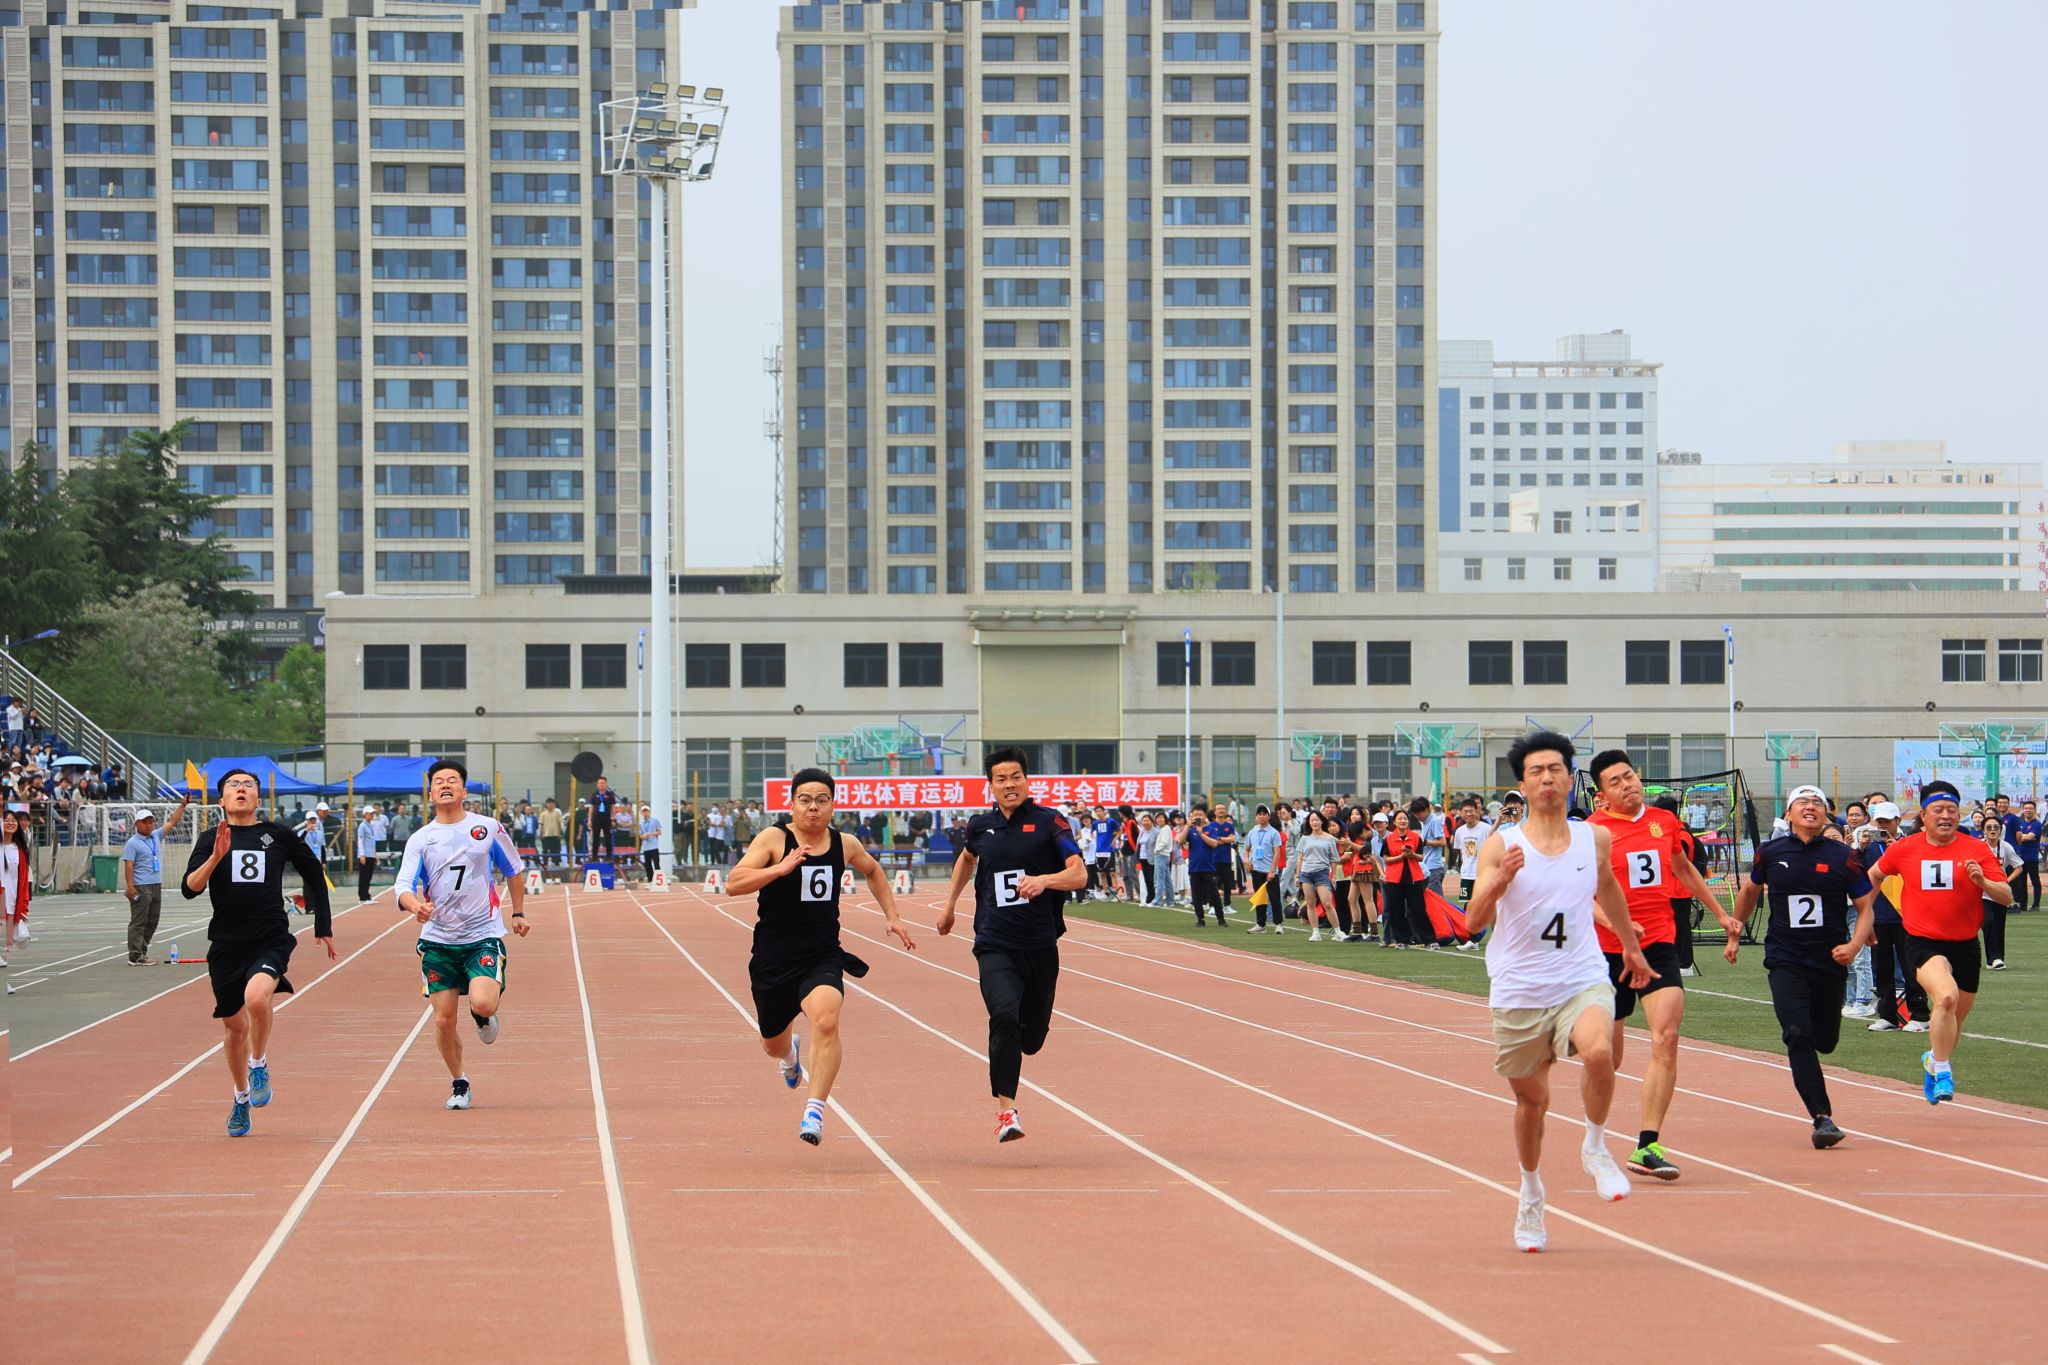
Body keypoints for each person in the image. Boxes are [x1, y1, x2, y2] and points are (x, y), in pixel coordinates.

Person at [1465, 731, 1650, 1253]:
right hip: (1520, 989)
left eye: (1555, 769)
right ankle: (1531, 1191)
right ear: (1522, 784)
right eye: (1536, 771)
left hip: (1580, 976)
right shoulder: (1501, 845)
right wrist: (1499, 881)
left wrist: (1630, 947)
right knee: (1533, 1104)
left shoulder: (1594, 838)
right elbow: (1472, 921)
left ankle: (1595, 1146)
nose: (1546, 778)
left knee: (1600, 1051)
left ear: (1571, 779)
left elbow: (1607, 888)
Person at [725, 768, 916, 1145]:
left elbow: (874, 871)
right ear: (792, 805)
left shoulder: (844, 844)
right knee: (772, 1044)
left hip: (821, 956)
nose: (813, 807)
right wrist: (779, 868)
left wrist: (892, 916)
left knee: (827, 1020)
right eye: (805, 800)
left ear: (832, 806)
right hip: (773, 960)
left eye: (821, 800)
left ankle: (814, 1110)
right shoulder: (774, 839)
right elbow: (733, 883)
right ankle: (789, 1057)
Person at [1586, 749, 1744, 1182]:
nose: (1627, 785)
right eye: (1615, 782)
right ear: (1602, 796)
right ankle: (1594, 1134)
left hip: (1658, 944)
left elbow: (1683, 869)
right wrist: (1616, 924)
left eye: (1630, 776)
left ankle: (1647, 1144)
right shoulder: (1592, 833)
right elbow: (1578, 895)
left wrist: (1721, 914)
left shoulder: (1664, 822)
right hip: (1606, 951)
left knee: (1667, 1036)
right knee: (1608, 1058)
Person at [938, 747, 1089, 1142]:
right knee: (1003, 1016)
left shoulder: (1050, 822)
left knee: (1031, 1040)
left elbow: (1079, 875)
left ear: (1026, 780)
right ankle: (1007, 1112)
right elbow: (966, 859)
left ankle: (1023, 1039)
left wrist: (1044, 881)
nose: (1009, 784)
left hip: (1039, 946)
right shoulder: (980, 826)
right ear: (990, 785)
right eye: (1001, 779)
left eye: (1016, 776)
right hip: (994, 942)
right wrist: (950, 905)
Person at [180, 768, 335, 1137]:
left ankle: (259, 1062)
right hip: (226, 944)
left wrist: (323, 925)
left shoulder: (277, 835)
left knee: (257, 997)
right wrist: (215, 857)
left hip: (270, 937)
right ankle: (240, 1097)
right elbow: (190, 888)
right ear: (221, 799)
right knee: (234, 1029)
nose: (241, 789)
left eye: (248, 785)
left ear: (258, 798)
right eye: (233, 785)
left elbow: (314, 873)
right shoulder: (211, 838)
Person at [1730, 785, 1876, 1147]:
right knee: (1796, 1034)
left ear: (1826, 814)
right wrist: (1735, 933)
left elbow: (1865, 907)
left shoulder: (1843, 857)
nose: (1810, 807)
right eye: (1803, 802)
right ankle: (1822, 1118)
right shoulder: (1771, 852)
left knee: (1824, 1039)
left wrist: (1854, 944)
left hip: (1830, 960)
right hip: (1785, 959)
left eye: (1817, 803)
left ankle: (1821, 1042)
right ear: (1789, 813)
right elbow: (1749, 891)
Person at [395, 760, 531, 1111]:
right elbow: (403, 885)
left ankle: (482, 1016)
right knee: (443, 1019)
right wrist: (415, 906)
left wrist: (517, 913)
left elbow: (514, 869)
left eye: (452, 780)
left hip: (482, 934)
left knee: (483, 1002)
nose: (445, 785)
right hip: (438, 940)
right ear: (430, 793)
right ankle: (459, 1081)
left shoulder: (487, 828)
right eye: (438, 781)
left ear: (464, 790)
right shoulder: (421, 839)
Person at [1867, 781, 2013, 1104]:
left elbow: (2006, 896)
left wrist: (1983, 881)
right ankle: (1944, 1072)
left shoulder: (1976, 849)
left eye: (1951, 810)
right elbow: (1874, 875)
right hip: (1922, 941)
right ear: (1923, 815)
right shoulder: (1905, 848)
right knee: (1946, 998)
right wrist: (1866, 916)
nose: (1946, 816)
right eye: (1938, 810)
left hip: (1965, 944)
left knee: (1953, 1024)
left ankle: (1933, 1060)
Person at [123, 796, 191, 963]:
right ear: (137, 824)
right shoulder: (132, 843)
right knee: (139, 921)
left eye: (150, 822)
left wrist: (182, 805)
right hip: (141, 885)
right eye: (145, 822)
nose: (148, 825)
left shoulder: (155, 836)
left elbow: (172, 822)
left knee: (152, 920)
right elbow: (129, 865)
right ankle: (135, 955)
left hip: (155, 884)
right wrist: (130, 887)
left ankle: (142, 951)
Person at [1244, 805, 1284, 933]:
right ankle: (1260, 924)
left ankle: (1278, 924)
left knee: (1274, 898)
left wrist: (1272, 871)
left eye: (1264, 814)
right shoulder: (1252, 832)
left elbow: (1277, 853)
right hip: (1257, 870)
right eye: (1259, 814)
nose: (1262, 816)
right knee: (1259, 899)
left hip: (1270, 871)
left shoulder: (1274, 833)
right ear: (1256, 817)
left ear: (1268, 816)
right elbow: (1246, 848)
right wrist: (1246, 860)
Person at [1, 807, 29, 970]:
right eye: (6, 820)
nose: (10, 823)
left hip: (12, 899)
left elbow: (22, 881)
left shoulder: (20, 850)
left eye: (13, 821)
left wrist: (24, 905)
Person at [2006, 798, 2041, 912]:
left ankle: (2036, 905)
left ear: (2034, 810)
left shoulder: (2036, 824)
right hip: (2020, 858)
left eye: (2030, 808)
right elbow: (2019, 836)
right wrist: (2021, 836)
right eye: (2026, 808)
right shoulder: (2020, 822)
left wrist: (2020, 836)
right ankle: (2023, 905)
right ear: (2022, 810)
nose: (2028, 810)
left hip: (2031, 858)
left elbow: (2030, 836)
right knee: (2021, 882)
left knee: (2035, 881)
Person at [587, 776, 618, 860]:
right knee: (595, 838)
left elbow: (613, 807)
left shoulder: (610, 794)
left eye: (603, 783)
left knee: (608, 837)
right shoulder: (594, 794)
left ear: (606, 784)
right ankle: (594, 857)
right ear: (597, 784)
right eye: (600, 783)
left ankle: (608, 856)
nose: (601, 785)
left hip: (606, 818)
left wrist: (613, 819)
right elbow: (591, 808)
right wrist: (589, 820)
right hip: (596, 818)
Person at [356, 805, 381, 903]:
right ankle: (363, 897)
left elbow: (372, 841)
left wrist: (375, 855)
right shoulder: (362, 826)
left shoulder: (371, 825)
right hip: (365, 854)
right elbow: (360, 840)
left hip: (371, 854)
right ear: (365, 814)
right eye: (370, 813)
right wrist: (362, 855)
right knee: (364, 876)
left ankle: (367, 895)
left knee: (369, 876)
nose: (372, 815)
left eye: (372, 813)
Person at [638, 803, 663, 881]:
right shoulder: (641, 823)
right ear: (641, 813)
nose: (645, 813)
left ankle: (658, 880)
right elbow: (640, 835)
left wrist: (651, 834)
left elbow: (659, 832)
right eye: (643, 811)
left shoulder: (655, 821)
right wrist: (643, 836)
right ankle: (650, 880)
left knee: (656, 864)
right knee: (648, 865)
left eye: (646, 811)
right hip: (646, 846)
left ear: (649, 812)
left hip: (654, 846)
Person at [539, 797, 565, 867]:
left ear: (554, 804)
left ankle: (557, 863)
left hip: (555, 835)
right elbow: (542, 825)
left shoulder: (557, 813)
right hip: (546, 835)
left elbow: (559, 823)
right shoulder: (543, 814)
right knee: (545, 850)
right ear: (546, 804)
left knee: (556, 850)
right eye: (549, 803)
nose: (550, 805)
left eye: (552, 803)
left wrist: (559, 833)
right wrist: (541, 833)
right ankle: (545, 863)